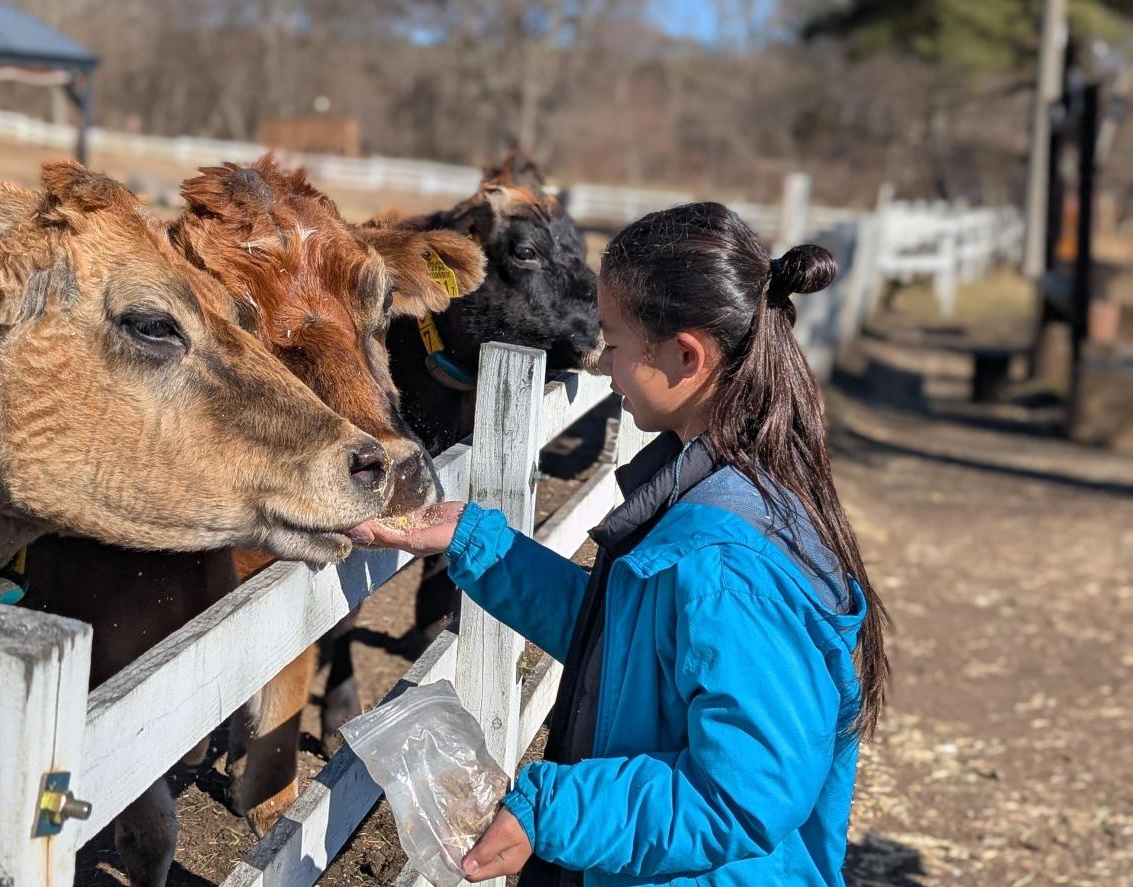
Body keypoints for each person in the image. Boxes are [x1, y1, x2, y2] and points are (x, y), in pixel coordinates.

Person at [346, 202, 891, 887]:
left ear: (685, 356)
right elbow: (635, 647)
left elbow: (741, 794)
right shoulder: (725, 491)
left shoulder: (728, 558)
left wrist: (553, 812)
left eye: (615, 341)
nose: (602, 365)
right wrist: (477, 542)